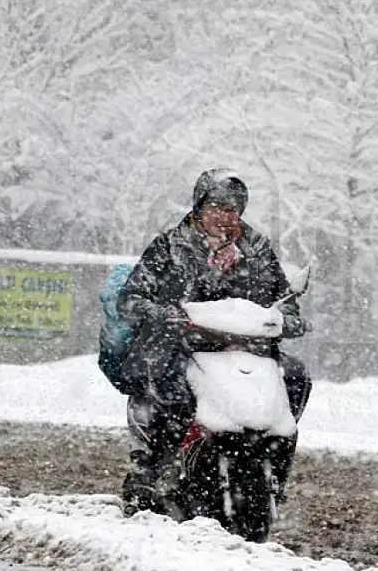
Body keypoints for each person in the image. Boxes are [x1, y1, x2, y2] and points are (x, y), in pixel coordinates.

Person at [116, 168, 312, 513]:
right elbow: (131, 297)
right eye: (217, 207)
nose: (225, 217)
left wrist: (289, 318)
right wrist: (162, 312)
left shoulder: (257, 248)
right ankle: (156, 466)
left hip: (246, 351)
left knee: (296, 377)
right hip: (181, 346)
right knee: (171, 386)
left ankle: (275, 466)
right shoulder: (170, 245)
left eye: (233, 209)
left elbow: (284, 298)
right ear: (199, 207)